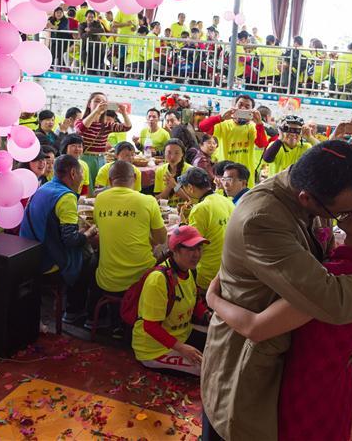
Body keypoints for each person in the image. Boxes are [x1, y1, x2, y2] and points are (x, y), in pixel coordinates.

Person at [201, 140, 352, 440]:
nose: (347, 215)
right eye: (343, 211)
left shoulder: (317, 198)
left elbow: (335, 293)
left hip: (308, 386)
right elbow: (329, 295)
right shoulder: (265, 218)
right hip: (249, 365)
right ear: (307, 198)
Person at [20, 155, 97, 324]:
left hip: (28, 254)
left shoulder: (45, 187)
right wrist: (88, 234)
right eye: (82, 173)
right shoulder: (66, 197)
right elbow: (70, 240)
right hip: (46, 261)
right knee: (91, 260)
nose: (83, 178)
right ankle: (74, 311)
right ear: (73, 173)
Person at [94, 161, 167, 334]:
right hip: (141, 278)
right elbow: (162, 238)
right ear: (134, 178)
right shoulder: (147, 201)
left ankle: (115, 322)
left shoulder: (100, 199)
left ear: (110, 181)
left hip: (107, 279)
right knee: (167, 257)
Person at [132, 225, 211, 376]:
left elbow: (194, 302)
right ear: (175, 250)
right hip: (154, 349)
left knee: (221, 342)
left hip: (182, 334)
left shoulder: (190, 271)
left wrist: (208, 316)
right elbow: (150, 326)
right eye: (190, 249)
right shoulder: (158, 280)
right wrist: (182, 348)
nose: (196, 254)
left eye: (199, 248)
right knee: (210, 372)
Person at [176, 168, 234, 292]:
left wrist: (182, 222)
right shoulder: (227, 201)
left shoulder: (201, 209)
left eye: (185, 188)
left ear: (191, 188)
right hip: (230, 270)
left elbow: (189, 244)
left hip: (209, 274)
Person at [198, 94, 268, 187]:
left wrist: (259, 124)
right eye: (240, 105)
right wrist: (221, 117)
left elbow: (262, 144)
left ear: (252, 111)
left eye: (247, 107)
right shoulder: (224, 124)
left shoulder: (254, 127)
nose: (243, 108)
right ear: (234, 107)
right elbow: (202, 127)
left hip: (245, 177)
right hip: (225, 174)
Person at [74, 92, 132, 189]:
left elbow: (127, 127)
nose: (100, 104)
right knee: (87, 189)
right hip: (85, 159)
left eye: (103, 102)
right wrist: (96, 112)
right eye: (97, 101)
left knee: (100, 188)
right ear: (89, 104)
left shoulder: (106, 125)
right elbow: (81, 129)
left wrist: (124, 113)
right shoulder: (80, 121)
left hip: (101, 159)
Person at [154, 138, 191, 207]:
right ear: (164, 153)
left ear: (182, 154)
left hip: (184, 210)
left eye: (176, 153)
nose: (172, 157)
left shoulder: (190, 171)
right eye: (169, 152)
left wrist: (175, 186)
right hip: (165, 210)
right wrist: (169, 187)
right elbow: (157, 199)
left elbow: (191, 201)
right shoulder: (160, 170)